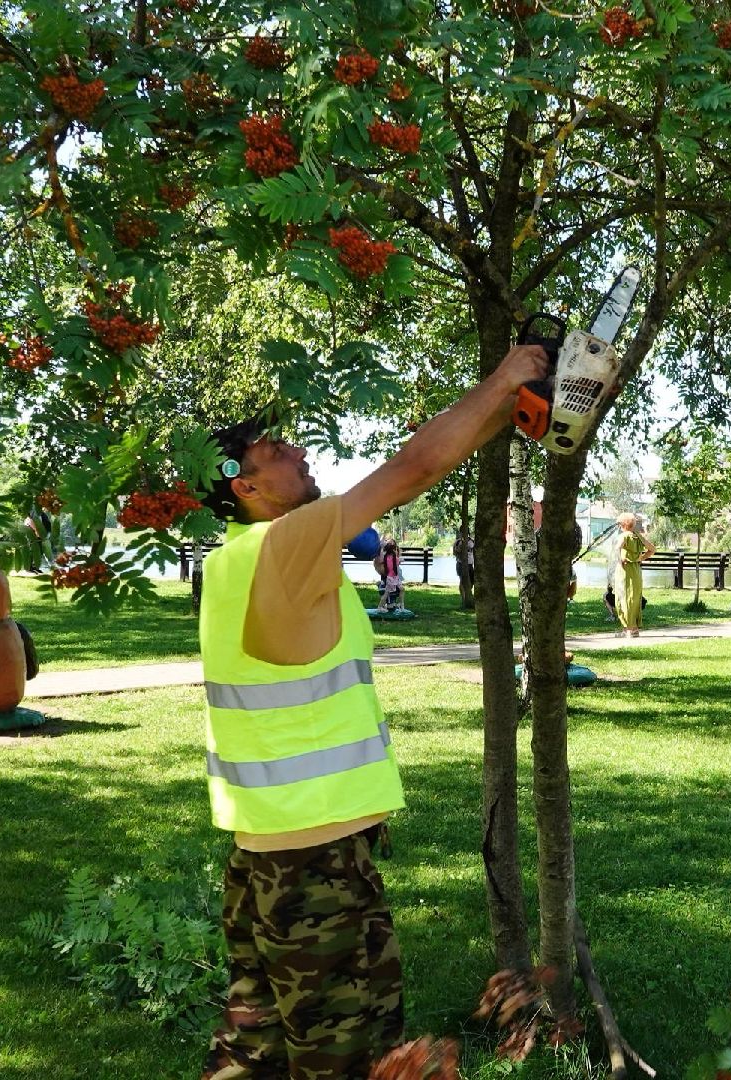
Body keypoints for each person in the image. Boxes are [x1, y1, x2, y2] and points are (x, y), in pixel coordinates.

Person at [195, 342, 549, 1080]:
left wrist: (507, 410)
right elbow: (412, 469)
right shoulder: (285, 545)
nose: (297, 449)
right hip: (313, 862)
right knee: (345, 1054)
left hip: (261, 848)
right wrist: (508, 375)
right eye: (274, 448)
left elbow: (426, 462)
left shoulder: (235, 559)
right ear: (243, 486)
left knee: (253, 1049)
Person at [615, 512, 653, 637]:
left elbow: (617, 548)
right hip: (636, 570)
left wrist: (620, 562)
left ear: (622, 524)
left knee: (623, 597)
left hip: (625, 570)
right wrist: (640, 558)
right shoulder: (638, 536)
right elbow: (652, 549)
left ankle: (628, 629)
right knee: (634, 597)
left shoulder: (624, 536)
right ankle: (635, 628)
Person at [373, 537, 404, 612]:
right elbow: (399, 560)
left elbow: (398, 560)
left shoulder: (391, 557)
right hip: (390, 577)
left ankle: (400, 604)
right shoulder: (389, 557)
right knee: (387, 593)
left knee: (401, 589)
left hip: (394, 577)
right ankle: (380, 606)